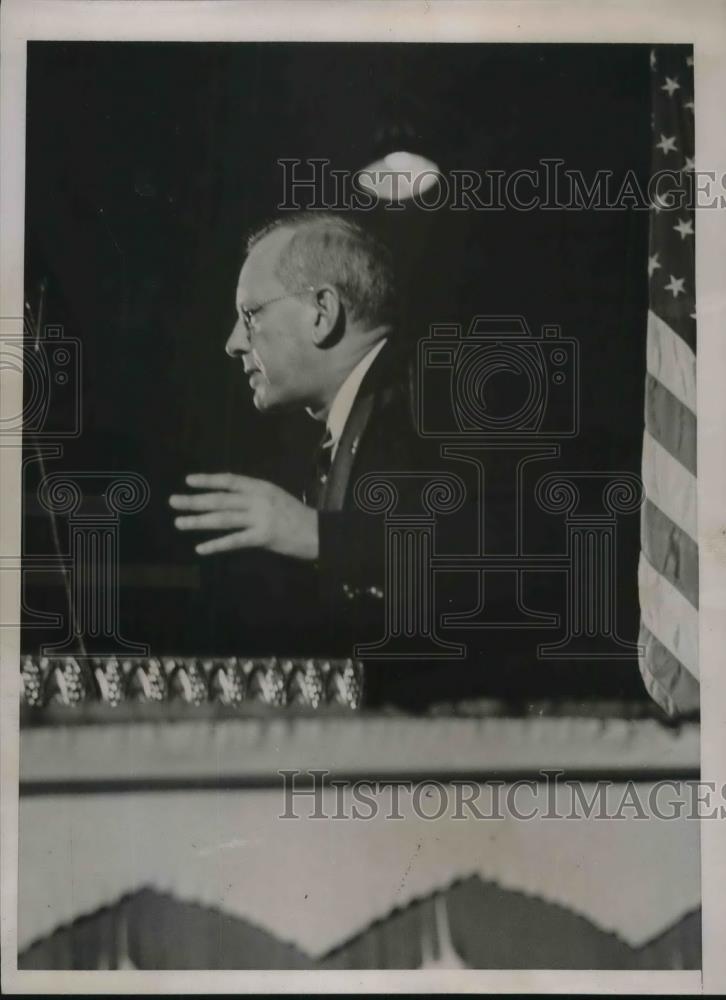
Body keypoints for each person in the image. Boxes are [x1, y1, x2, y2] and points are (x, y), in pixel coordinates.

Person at [168, 213, 429, 682]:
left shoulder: (437, 389)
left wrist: (316, 534)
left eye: (250, 315)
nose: (232, 343)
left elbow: (518, 542)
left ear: (322, 312)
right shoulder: (359, 419)